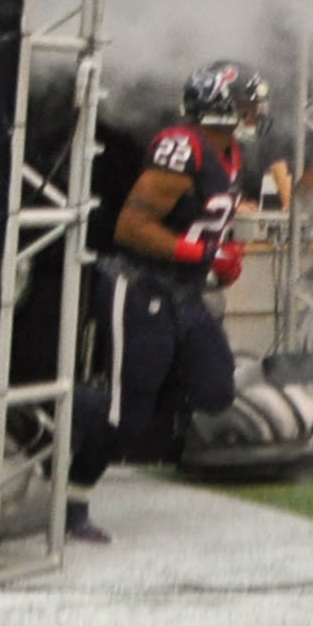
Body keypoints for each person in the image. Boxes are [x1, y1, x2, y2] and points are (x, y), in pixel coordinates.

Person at [69, 61, 263, 542]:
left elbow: (201, 220)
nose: (255, 111)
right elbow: (130, 228)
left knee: (215, 387)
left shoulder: (229, 152)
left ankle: (90, 405)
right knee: (126, 414)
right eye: (246, 103)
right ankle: (71, 490)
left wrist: (221, 254)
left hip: (184, 291)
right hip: (139, 285)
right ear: (220, 108)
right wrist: (203, 252)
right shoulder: (183, 148)